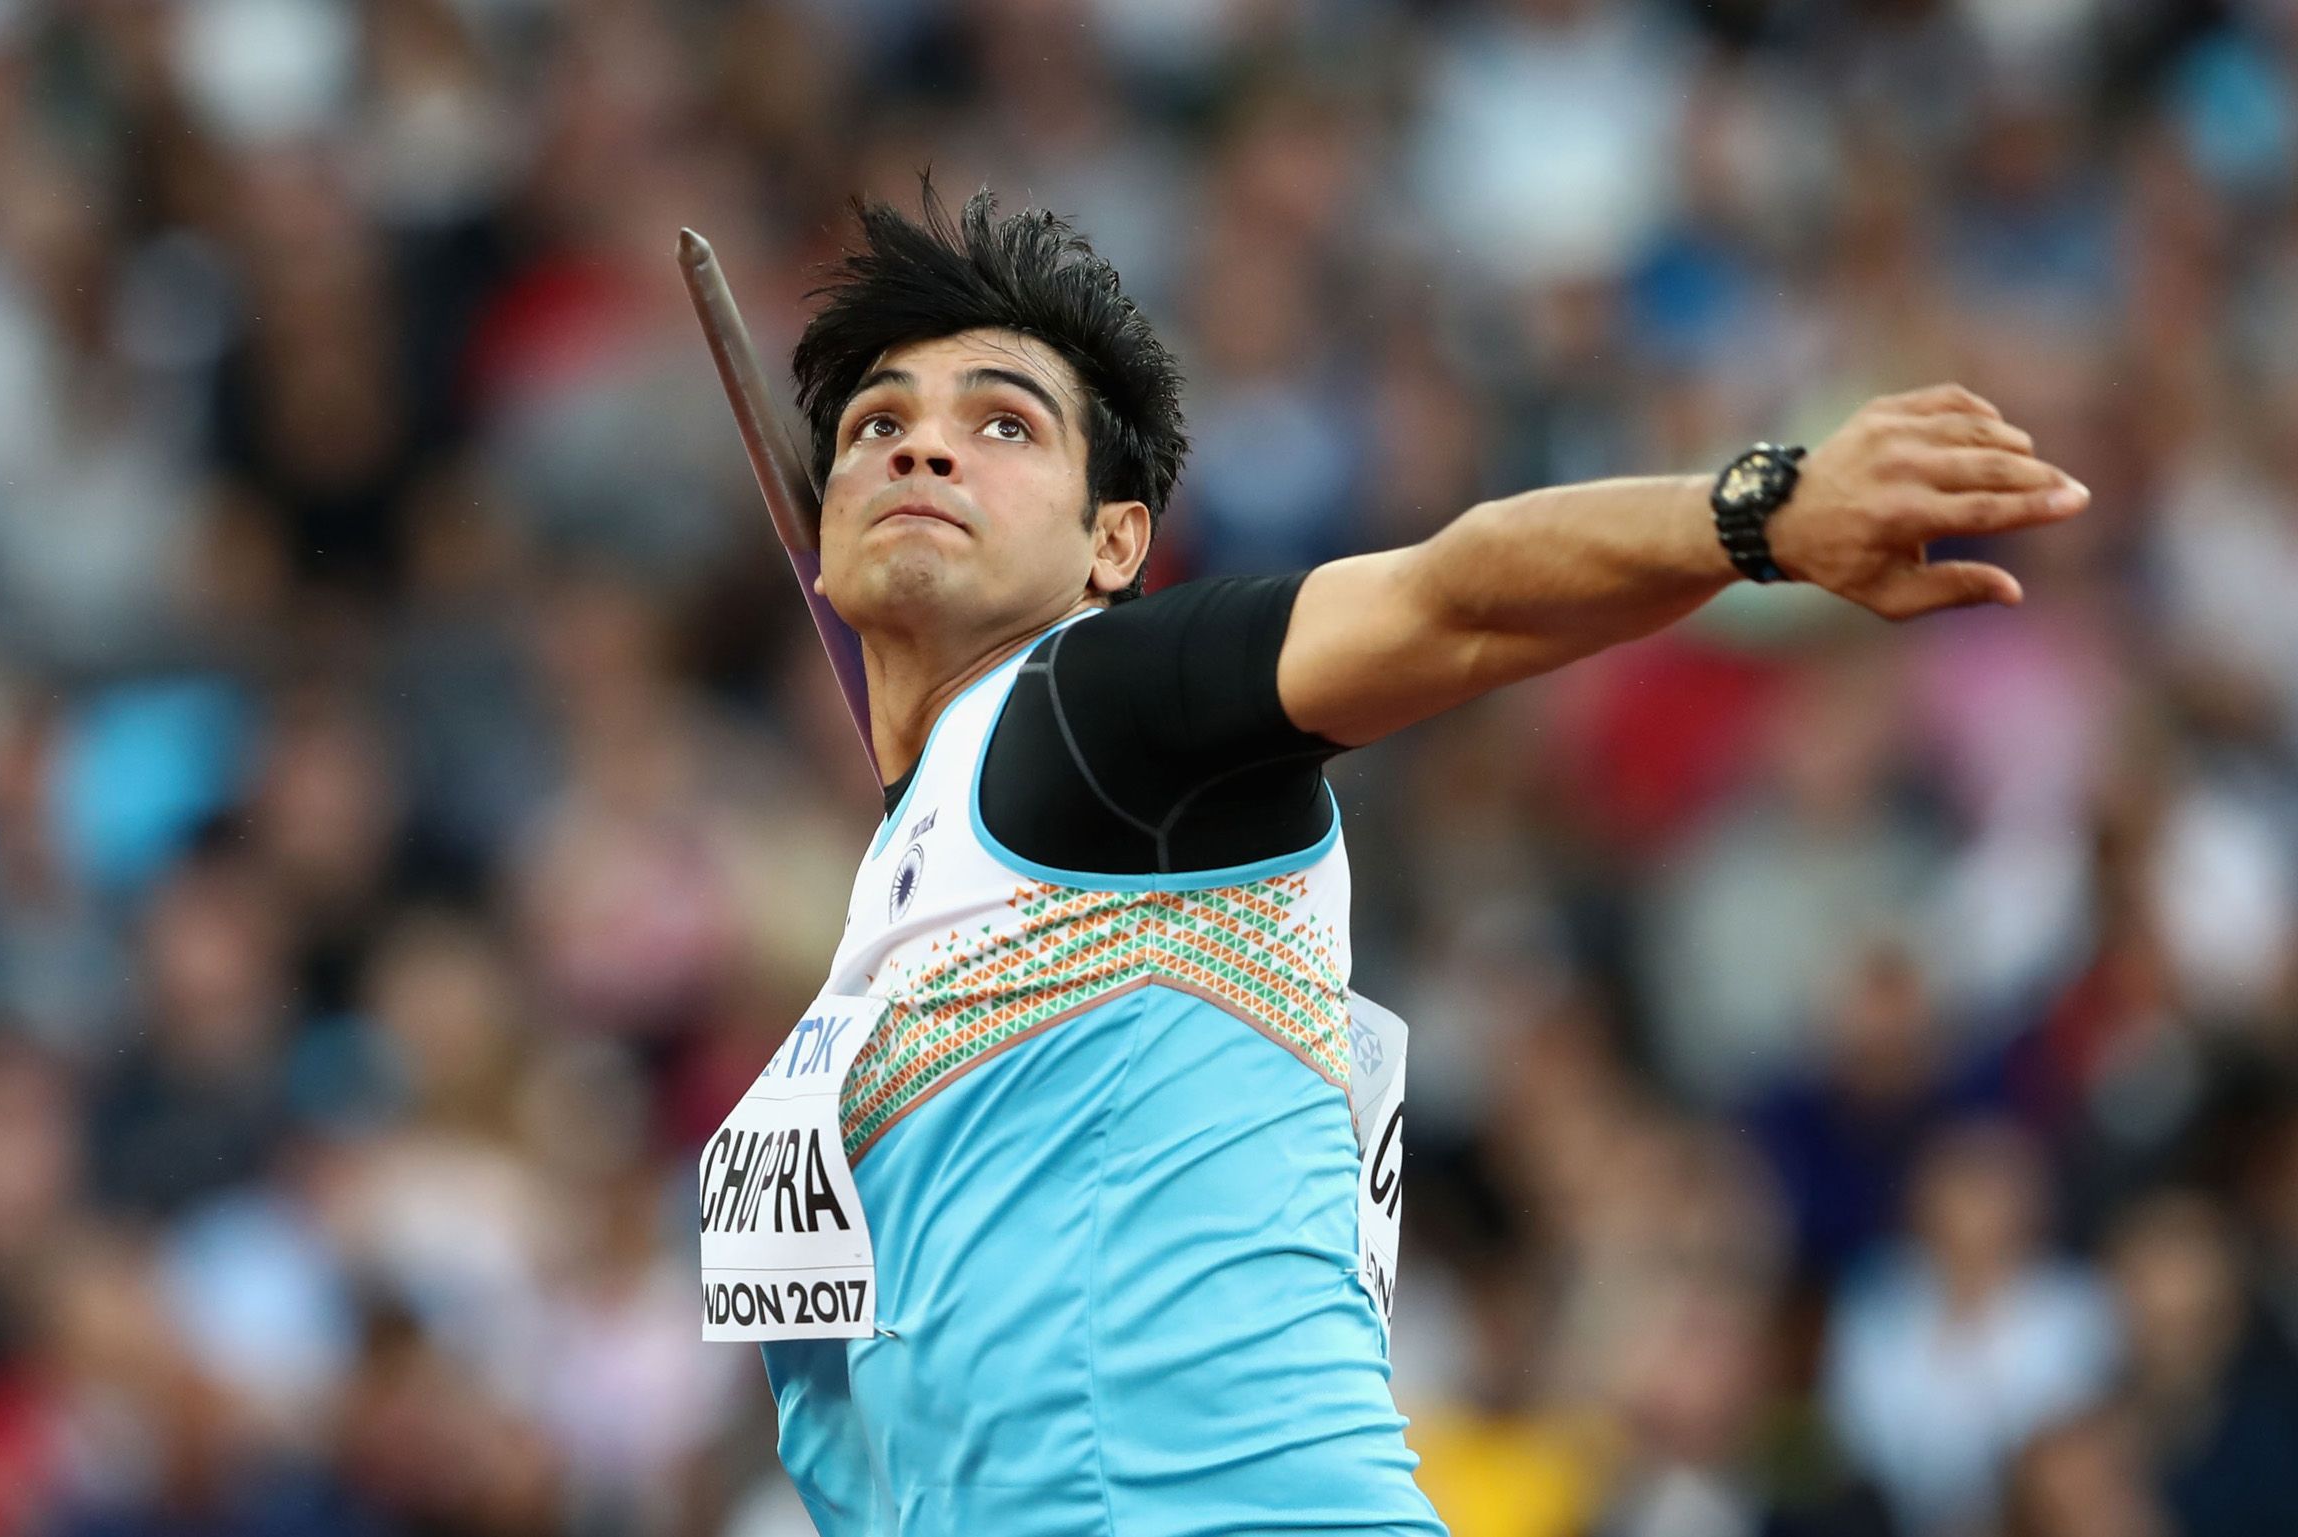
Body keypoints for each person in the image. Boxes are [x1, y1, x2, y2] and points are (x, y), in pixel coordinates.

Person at [697, 184, 2089, 1535]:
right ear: (824, 532)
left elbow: (1452, 594)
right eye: (879, 423)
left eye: (1003, 423)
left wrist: (1754, 513)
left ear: (1115, 542)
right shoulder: (921, 889)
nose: (922, 448)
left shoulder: (1091, 704)